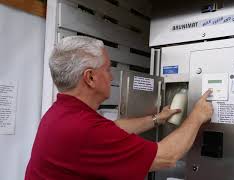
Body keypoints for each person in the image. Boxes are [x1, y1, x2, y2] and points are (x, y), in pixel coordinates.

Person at [25, 36, 213, 180]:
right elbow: (167, 157)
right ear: (90, 78)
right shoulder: (82, 128)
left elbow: (113, 130)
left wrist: (157, 119)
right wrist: (197, 115)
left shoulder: (62, 114)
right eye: (107, 69)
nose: (112, 77)